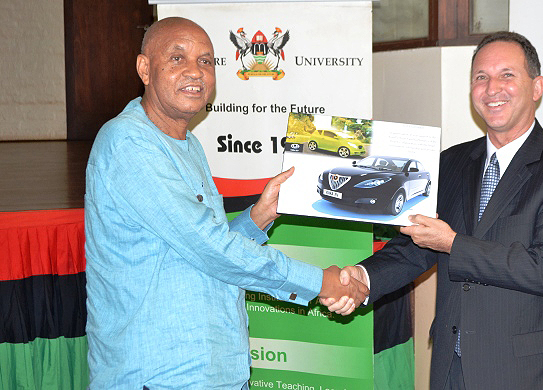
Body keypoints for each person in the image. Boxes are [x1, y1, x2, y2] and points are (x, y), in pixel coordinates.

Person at [84, 17, 367, 389]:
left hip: (214, 370)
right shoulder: (127, 143)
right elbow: (209, 247)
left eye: (206, 61)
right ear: (144, 69)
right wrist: (321, 282)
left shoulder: (188, 144)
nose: (195, 72)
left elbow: (194, 251)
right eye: (177, 59)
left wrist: (258, 217)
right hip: (158, 375)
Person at [325, 31, 543, 389]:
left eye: (507, 75)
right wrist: (364, 277)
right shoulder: (450, 162)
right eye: (481, 78)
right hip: (452, 367)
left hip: (530, 373)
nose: (492, 88)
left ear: (537, 87)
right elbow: (416, 247)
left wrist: (454, 243)